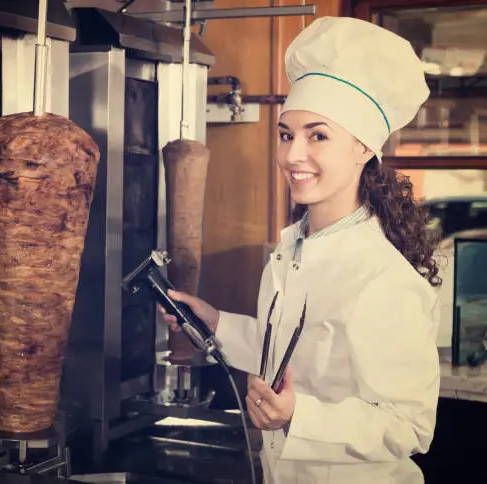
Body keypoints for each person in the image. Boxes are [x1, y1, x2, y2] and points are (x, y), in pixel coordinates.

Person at [159, 16, 443, 484]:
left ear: (363, 149)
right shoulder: (294, 246)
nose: (292, 155)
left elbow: (409, 426)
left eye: (318, 135)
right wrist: (215, 323)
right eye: (287, 134)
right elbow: (294, 351)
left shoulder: (383, 277)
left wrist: (298, 417)